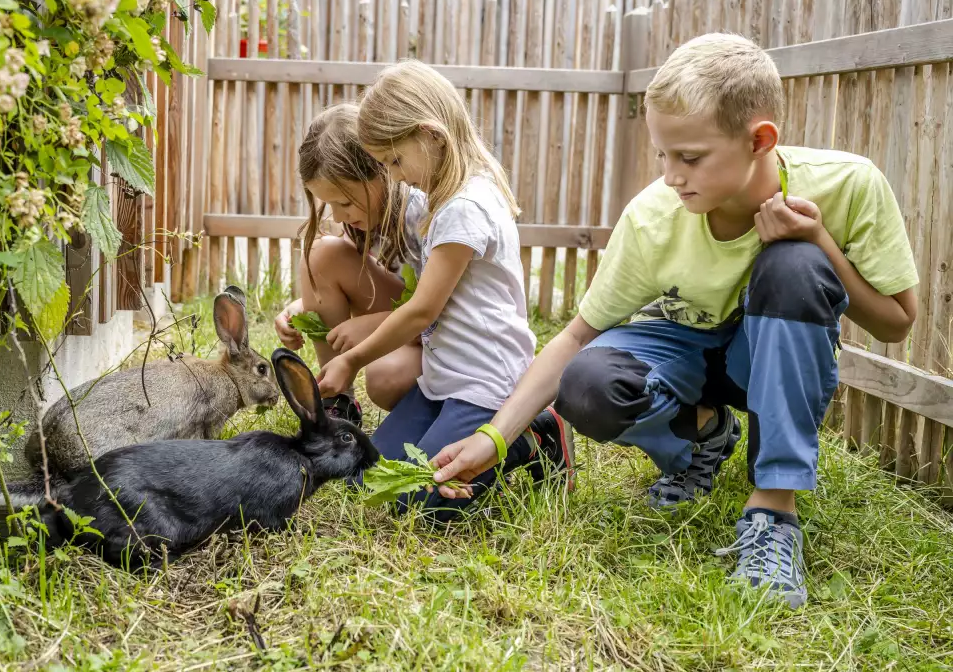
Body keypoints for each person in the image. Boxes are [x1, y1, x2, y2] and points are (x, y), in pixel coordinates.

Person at [430, 33, 918, 607]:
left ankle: (772, 514)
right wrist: (493, 436)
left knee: (794, 265)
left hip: (771, 354)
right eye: (663, 154)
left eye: (690, 157)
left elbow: (895, 323)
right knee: (587, 383)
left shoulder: (848, 184)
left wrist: (819, 240)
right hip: (687, 348)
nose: (670, 175)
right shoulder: (653, 218)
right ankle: (702, 439)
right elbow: (576, 336)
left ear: (759, 140)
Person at [315, 59, 574, 521]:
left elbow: (421, 311)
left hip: (485, 385)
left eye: (395, 161)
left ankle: (533, 434)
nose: (394, 175)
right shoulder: (441, 198)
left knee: (419, 504)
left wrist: (352, 359)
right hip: (443, 381)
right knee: (366, 479)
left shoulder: (464, 207)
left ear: (431, 134)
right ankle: (467, 435)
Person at [273, 103, 427, 424]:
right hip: (410, 321)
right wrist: (303, 309)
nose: (339, 216)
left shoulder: (420, 214)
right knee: (321, 254)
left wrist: (373, 324)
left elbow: (442, 310)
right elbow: (362, 285)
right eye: (330, 204)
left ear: (380, 170)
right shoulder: (363, 218)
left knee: (384, 379)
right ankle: (337, 400)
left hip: (445, 331)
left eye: (344, 202)